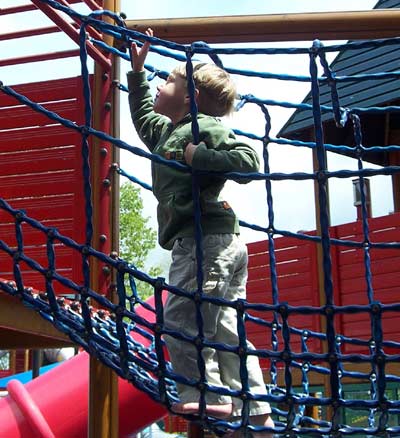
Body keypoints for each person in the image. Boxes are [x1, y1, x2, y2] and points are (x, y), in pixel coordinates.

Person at [128, 29, 274, 437]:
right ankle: (256, 408)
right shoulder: (165, 131)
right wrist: (137, 71)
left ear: (191, 96)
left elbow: (248, 161)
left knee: (181, 318)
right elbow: (142, 114)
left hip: (205, 242)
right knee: (226, 329)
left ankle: (209, 393)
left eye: (168, 80)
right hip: (212, 244)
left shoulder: (203, 127)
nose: (160, 83)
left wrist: (200, 157)